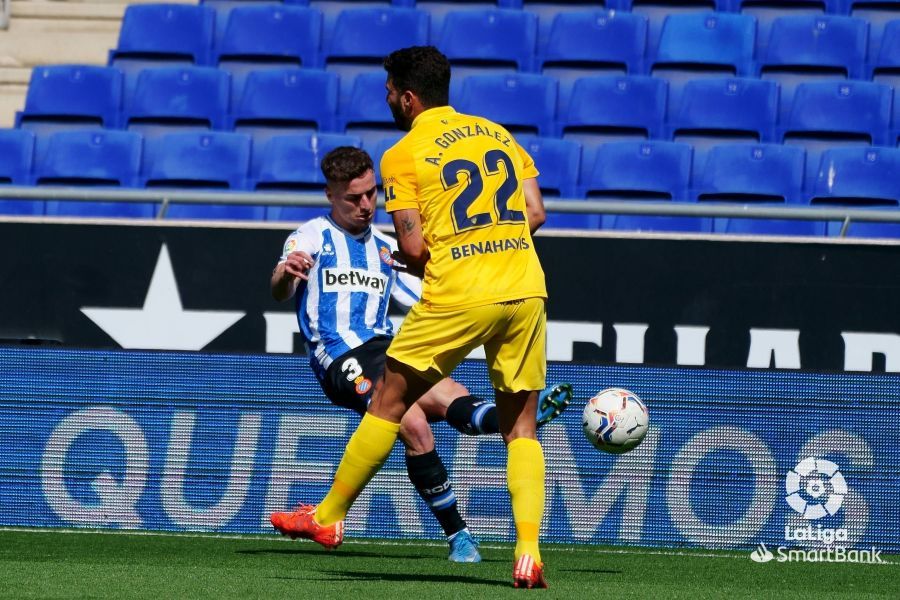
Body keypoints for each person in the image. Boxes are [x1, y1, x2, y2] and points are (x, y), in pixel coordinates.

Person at [268, 146, 571, 565]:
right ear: (330, 195)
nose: (366, 205)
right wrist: (286, 272)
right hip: (338, 353)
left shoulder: (388, 248)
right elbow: (281, 289)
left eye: (371, 194)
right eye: (353, 198)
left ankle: (511, 421)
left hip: (384, 346)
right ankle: (453, 533)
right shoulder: (310, 237)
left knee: (450, 396)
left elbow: (425, 296)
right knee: (408, 420)